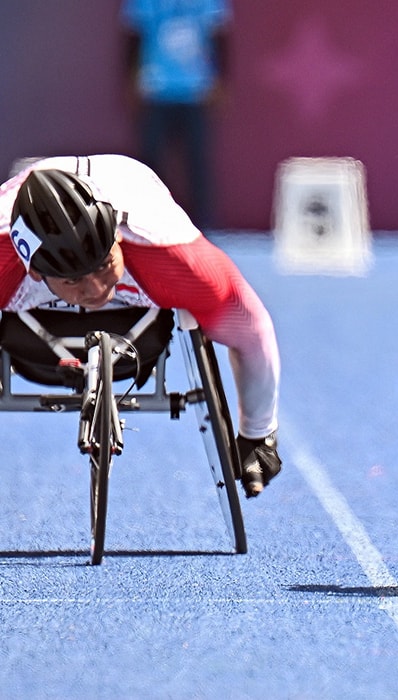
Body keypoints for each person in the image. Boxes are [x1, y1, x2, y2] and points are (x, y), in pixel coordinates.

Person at [1, 154, 281, 498]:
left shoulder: (176, 258)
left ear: (117, 240)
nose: (96, 289)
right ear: (33, 270)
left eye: (104, 265)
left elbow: (252, 330)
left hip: (144, 256)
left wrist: (258, 433)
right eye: (73, 280)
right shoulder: (5, 260)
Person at [121, 0, 232, 230]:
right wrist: (131, 79)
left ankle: (203, 227)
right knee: (151, 164)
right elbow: (134, 37)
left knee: (197, 162)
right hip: (155, 88)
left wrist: (220, 80)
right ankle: (149, 225)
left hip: (196, 88)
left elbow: (219, 37)